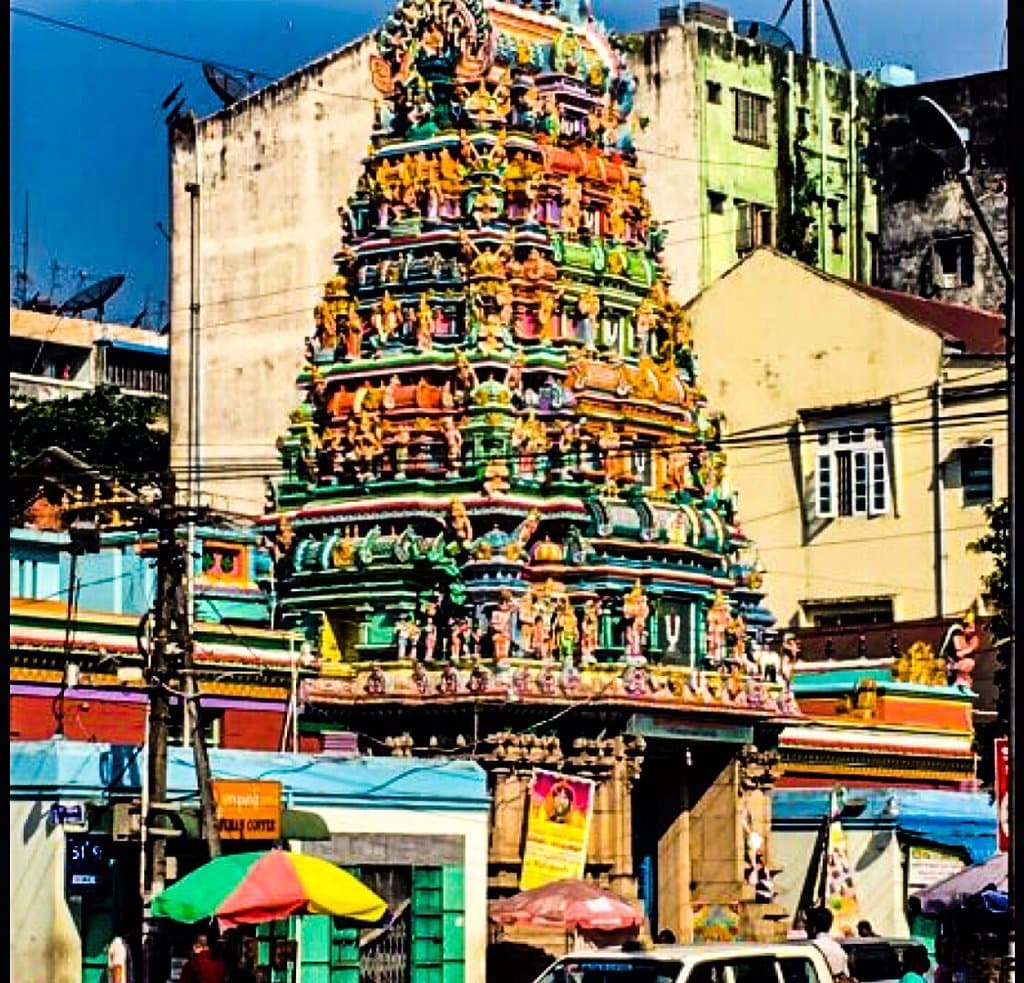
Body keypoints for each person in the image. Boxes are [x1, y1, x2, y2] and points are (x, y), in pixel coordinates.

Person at [807, 906, 852, 980]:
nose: (805, 928)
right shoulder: (837, 947)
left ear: (813, 928)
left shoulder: (811, 948)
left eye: (807, 925)